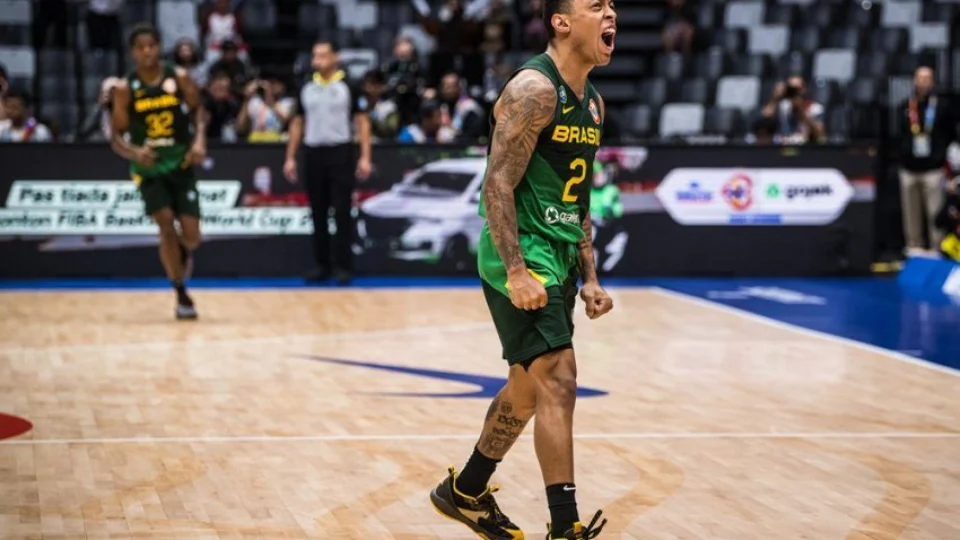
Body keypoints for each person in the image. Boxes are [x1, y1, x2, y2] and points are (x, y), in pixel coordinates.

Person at [429, 1, 616, 539]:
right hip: (520, 253)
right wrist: (515, 269)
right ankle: (565, 528)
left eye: (611, 5)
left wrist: (592, 274)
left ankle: (464, 490)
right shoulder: (533, 89)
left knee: (528, 388)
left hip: (556, 253)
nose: (610, 13)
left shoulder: (594, 103)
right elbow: (496, 183)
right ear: (561, 22)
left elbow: (575, 199)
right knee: (559, 378)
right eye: (595, 5)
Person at [110, 23, 207, 320]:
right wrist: (134, 152)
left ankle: (180, 250)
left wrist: (200, 139)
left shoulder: (178, 78)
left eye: (151, 45)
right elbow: (116, 137)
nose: (147, 51)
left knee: (191, 236)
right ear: (133, 52)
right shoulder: (126, 89)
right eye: (140, 47)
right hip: (149, 166)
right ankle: (180, 292)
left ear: (158, 47)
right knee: (164, 222)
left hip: (180, 162)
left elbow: (199, 112)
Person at [284, 40, 373, 285]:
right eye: (315, 55)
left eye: (323, 55)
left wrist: (365, 157)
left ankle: (343, 267)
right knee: (318, 211)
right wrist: (290, 157)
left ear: (335, 58)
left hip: (340, 152)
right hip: (313, 152)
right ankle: (321, 265)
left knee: (342, 210)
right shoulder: (306, 87)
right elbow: (297, 122)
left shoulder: (349, 86)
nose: (318, 60)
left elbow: (362, 121)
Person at [898, 66, 958, 257]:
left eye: (928, 78)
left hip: (934, 169)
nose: (924, 82)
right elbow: (898, 136)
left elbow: (951, 135)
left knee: (935, 213)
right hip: (909, 168)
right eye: (920, 78)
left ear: (933, 81)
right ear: (914, 80)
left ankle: (937, 248)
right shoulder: (905, 107)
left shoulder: (943, 107)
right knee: (911, 213)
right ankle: (913, 248)